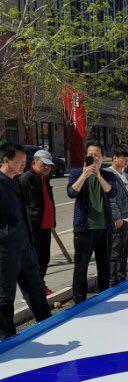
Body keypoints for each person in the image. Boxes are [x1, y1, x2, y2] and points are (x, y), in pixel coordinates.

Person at [0, 143, 51, 340]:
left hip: (25, 245)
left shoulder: (15, 180)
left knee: (35, 288)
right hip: (6, 249)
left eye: (25, 161)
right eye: (20, 161)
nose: (24, 165)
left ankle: (47, 324)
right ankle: (7, 337)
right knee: (5, 295)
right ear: (6, 160)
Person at [67, 142, 117, 304]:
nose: (94, 158)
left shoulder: (108, 175)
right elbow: (71, 192)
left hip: (104, 228)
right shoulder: (76, 173)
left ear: (102, 158)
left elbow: (112, 192)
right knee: (81, 267)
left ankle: (104, 296)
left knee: (104, 265)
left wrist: (98, 175)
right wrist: (84, 175)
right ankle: (79, 300)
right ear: (86, 157)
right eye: (91, 155)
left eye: (97, 155)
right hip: (84, 229)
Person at [18, 149, 56, 292]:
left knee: (44, 258)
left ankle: (40, 284)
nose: (47, 167)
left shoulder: (45, 179)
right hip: (33, 227)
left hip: (45, 226)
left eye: (49, 165)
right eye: (43, 164)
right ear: (34, 162)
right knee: (34, 260)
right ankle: (33, 290)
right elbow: (22, 204)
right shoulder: (27, 178)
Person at [107, 147, 128, 286]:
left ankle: (122, 275)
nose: (126, 161)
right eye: (123, 158)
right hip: (119, 220)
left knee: (126, 250)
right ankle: (112, 279)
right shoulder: (109, 174)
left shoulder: (125, 175)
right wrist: (116, 217)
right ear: (114, 158)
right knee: (115, 251)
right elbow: (110, 198)